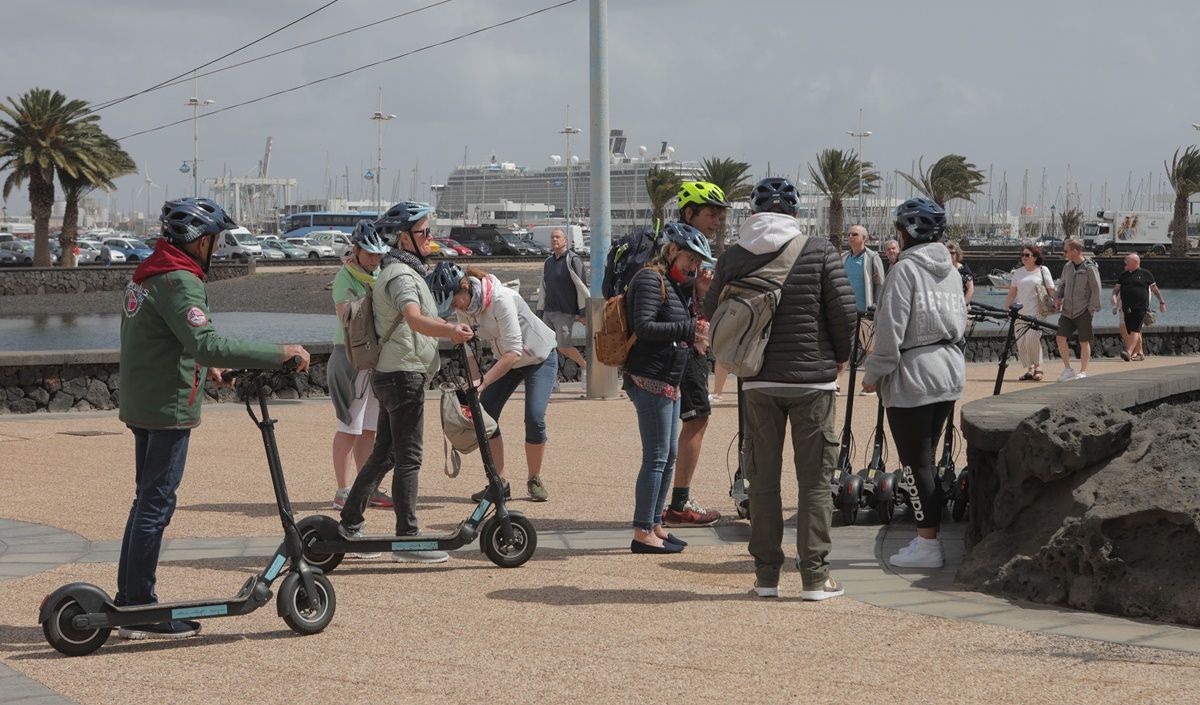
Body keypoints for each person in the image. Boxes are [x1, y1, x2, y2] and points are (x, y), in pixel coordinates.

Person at [116, 197, 310, 639]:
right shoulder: (180, 281)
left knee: (145, 501)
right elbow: (206, 342)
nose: (217, 249)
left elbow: (161, 339)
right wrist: (281, 351)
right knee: (156, 504)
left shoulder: (148, 273)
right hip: (166, 407)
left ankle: (131, 599)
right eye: (216, 241)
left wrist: (205, 370)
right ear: (200, 241)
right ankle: (142, 608)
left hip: (143, 402)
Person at [704, 177, 856, 599]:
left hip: (757, 380)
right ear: (794, 212)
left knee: (763, 480)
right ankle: (814, 577)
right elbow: (843, 312)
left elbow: (711, 310)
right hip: (813, 380)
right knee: (815, 482)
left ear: (753, 212)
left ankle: (766, 577)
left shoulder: (734, 256)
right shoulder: (820, 249)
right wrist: (840, 356)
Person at [338, 202, 473, 564]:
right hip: (402, 374)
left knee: (386, 453)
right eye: (425, 233)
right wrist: (450, 330)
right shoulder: (399, 274)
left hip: (397, 371)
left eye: (430, 232)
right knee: (409, 456)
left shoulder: (404, 271)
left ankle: (349, 524)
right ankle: (408, 538)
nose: (430, 239)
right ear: (403, 237)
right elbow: (414, 319)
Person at [862, 198, 967, 569]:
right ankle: (928, 538)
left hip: (914, 374)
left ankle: (927, 544)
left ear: (906, 232)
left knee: (914, 462)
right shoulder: (951, 271)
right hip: (948, 370)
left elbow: (889, 331)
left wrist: (872, 374)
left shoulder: (904, 270)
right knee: (929, 458)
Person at [429, 262, 559, 502]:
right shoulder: (464, 307)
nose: (454, 307)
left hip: (539, 357)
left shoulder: (500, 299)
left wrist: (483, 382)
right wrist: (473, 383)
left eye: (454, 301)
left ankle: (534, 478)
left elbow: (514, 352)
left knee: (534, 416)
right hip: (508, 361)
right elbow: (467, 349)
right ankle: (499, 483)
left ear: (465, 288)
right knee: (485, 415)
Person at [624, 222, 713, 553]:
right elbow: (645, 326)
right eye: (691, 259)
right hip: (650, 378)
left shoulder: (675, 285)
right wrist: (690, 327)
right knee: (656, 457)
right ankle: (642, 531)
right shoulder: (649, 279)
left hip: (667, 380)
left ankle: (656, 524)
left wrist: (697, 306)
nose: (694, 267)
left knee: (668, 454)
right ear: (672, 251)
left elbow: (680, 323)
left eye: (698, 261)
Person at [661, 181, 730, 527]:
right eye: (710, 213)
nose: (717, 221)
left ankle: (667, 504)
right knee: (697, 417)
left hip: (690, 342)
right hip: (683, 346)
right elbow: (670, 298)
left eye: (719, 215)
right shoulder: (678, 250)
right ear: (689, 213)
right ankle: (678, 503)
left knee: (687, 420)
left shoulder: (692, 250)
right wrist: (698, 290)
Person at [328, 220, 392, 511]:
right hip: (350, 356)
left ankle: (367, 486)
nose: (376, 259)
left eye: (379, 254)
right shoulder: (345, 277)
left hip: (374, 358)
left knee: (369, 429)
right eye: (370, 254)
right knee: (349, 426)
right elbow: (347, 318)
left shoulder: (380, 274)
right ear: (356, 250)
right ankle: (343, 489)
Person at [537, 228, 589, 380]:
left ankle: (586, 366)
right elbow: (544, 287)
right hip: (548, 311)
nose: (554, 239)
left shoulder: (573, 259)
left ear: (565, 240)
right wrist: (540, 312)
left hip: (565, 312)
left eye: (558, 237)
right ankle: (551, 381)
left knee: (564, 347)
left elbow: (582, 286)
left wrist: (583, 312)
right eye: (552, 237)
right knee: (546, 348)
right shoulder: (548, 262)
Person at [1004, 244, 1055, 382]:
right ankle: (1030, 369)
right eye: (1022, 255)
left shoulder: (1043, 270)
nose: (1024, 257)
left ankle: (1038, 368)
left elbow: (1051, 289)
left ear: (1035, 257)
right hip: (1020, 311)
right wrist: (1006, 309)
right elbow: (1012, 293)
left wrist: (1059, 301)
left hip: (1037, 311)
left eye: (1027, 255)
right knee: (1022, 341)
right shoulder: (1018, 272)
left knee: (1033, 338)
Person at [1054, 238, 1102, 381]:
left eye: (1066, 251)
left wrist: (1092, 308)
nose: (1064, 254)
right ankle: (1068, 369)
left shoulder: (1090, 267)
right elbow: (1062, 285)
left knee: (1084, 341)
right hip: (1067, 310)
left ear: (1075, 251)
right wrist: (1057, 297)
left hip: (1084, 310)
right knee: (1060, 337)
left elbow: (1096, 289)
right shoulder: (1067, 267)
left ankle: (1083, 371)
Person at [1111, 253, 1166, 362]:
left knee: (1135, 329)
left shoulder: (1146, 274)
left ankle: (1129, 351)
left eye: (1128, 262)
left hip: (1141, 307)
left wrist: (1162, 302)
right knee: (1130, 329)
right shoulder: (1124, 275)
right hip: (1127, 307)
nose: (1126, 263)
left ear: (1136, 263)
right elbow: (1116, 289)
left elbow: (1155, 290)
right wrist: (1113, 297)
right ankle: (1139, 353)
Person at [842, 225, 887, 312]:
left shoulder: (873, 257)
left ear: (864, 238)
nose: (850, 237)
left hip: (864, 310)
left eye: (854, 234)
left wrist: (877, 305)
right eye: (848, 235)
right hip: (845, 308)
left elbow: (880, 283)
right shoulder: (843, 257)